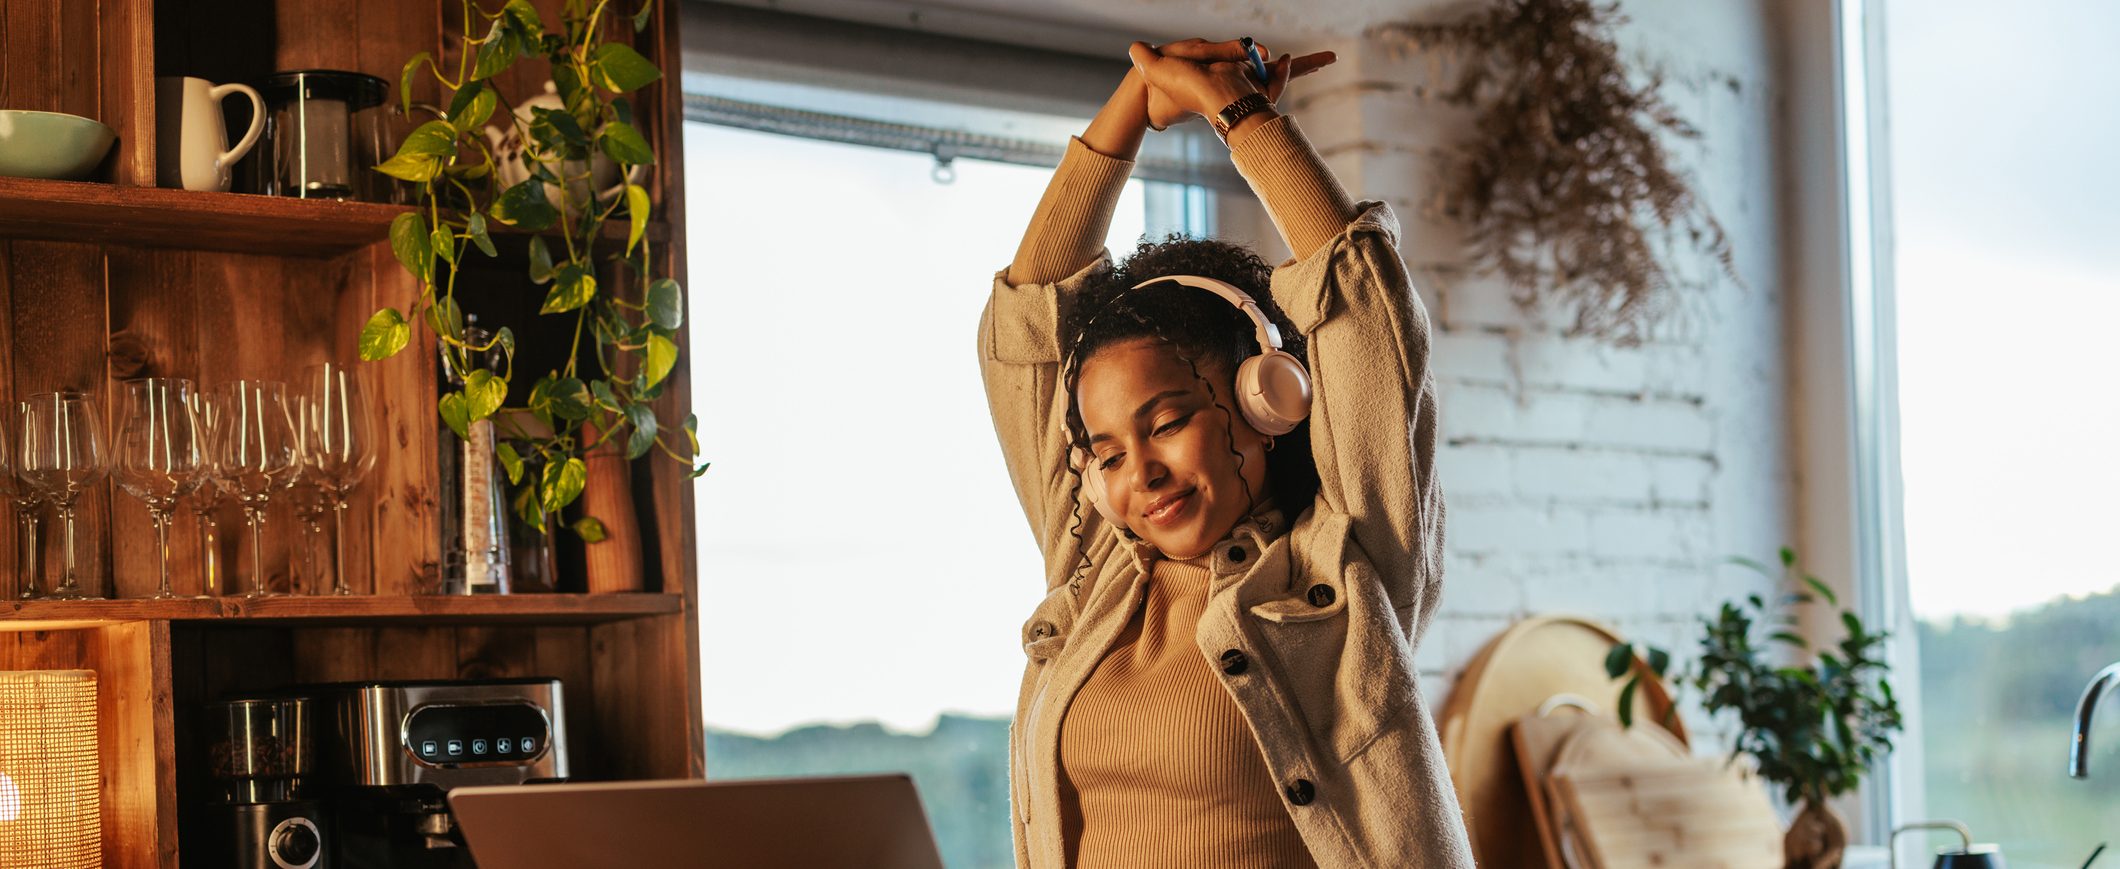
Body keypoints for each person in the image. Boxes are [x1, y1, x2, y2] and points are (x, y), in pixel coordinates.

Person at [978, 37, 1477, 868]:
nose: (1139, 472)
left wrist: (1242, 117)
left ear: (1264, 399)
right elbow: (1025, 325)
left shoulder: (1344, 568)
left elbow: (1363, 310)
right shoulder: (1091, 562)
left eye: (1167, 420)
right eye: (1106, 451)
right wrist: (1135, 101)